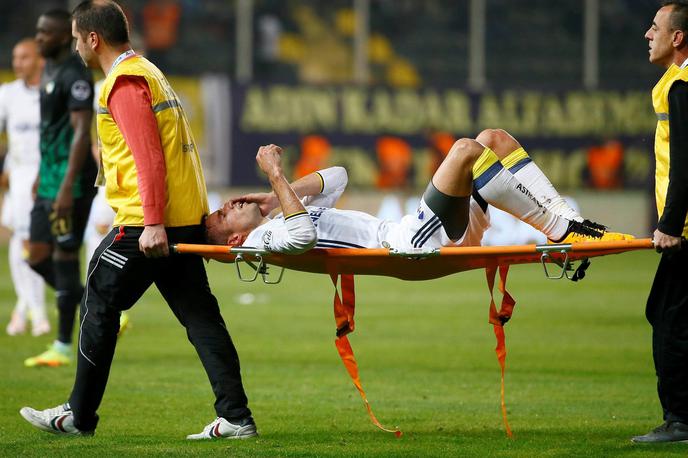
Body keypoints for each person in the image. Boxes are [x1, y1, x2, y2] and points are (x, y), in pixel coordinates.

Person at [20, 0, 255, 440]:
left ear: (94, 38)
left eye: (76, 38)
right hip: (182, 217)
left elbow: (149, 157)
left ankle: (79, 414)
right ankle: (237, 417)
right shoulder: (150, 72)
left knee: (98, 300)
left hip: (150, 222)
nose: (75, 46)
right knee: (201, 318)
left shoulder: (124, 82)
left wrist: (151, 223)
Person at [205, 130, 633, 254]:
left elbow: (338, 176)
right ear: (236, 239)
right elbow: (304, 237)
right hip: (408, 244)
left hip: (425, 232)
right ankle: (559, 229)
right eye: (223, 215)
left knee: (494, 139)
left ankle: (568, 223)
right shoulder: (265, 240)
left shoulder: (279, 215)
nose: (228, 204)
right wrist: (276, 177)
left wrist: (272, 197)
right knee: (465, 149)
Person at [23, 9, 98, 367]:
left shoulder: (75, 73)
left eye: (46, 33)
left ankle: (63, 345)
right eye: (38, 31)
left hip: (72, 182)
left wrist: (67, 187)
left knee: (65, 259)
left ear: (63, 37)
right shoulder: (49, 70)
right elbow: (53, 131)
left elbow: (82, 132)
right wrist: (41, 174)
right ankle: (94, 307)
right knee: (36, 256)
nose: (39, 38)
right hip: (49, 179)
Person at [632, 1, 688, 443]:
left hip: (687, 231)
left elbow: (686, 162)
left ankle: (680, 421)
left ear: (678, 38)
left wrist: (670, 223)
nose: (648, 35)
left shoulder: (681, 84)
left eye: (655, 28)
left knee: (668, 317)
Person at [0, 38, 49, 337]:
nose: (18, 62)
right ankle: (37, 312)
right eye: (15, 57)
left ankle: (23, 309)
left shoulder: (51, 92)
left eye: (25, 57)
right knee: (22, 239)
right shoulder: (6, 94)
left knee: (41, 243)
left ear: (40, 60)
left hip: (47, 176)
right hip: (19, 177)